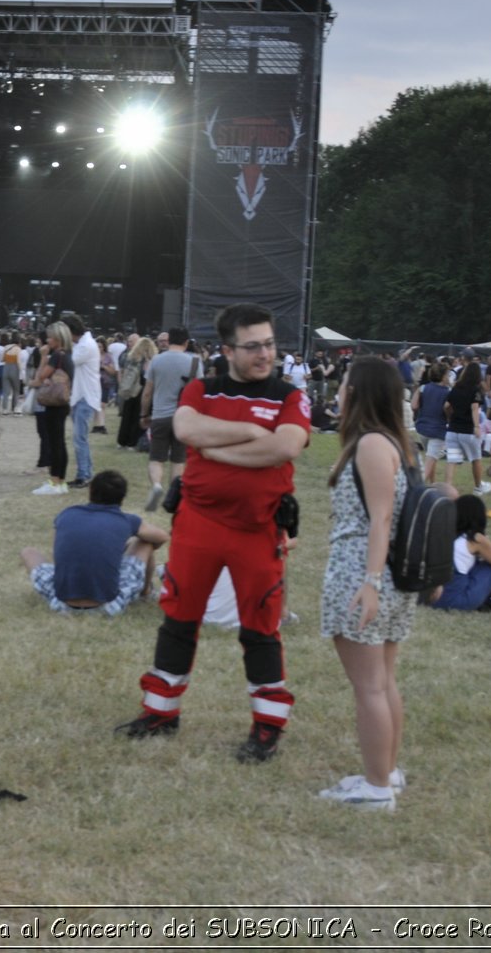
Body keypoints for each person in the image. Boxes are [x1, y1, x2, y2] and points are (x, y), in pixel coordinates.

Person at [116, 303, 309, 765]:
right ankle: (161, 712)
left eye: (269, 344)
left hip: (258, 528)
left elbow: (286, 445)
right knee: (179, 617)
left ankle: (266, 727)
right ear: (227, 350)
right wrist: (248, 430)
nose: (265, 354)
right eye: (253, 346)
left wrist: (217, 449)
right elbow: (185, 427)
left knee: (261, 627)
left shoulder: (288, 394)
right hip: (198, 523)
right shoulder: (203, 387)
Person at [317, 356, 414, 810]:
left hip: (364, 572)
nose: (338, 391)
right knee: (383, 681)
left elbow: (381, 518)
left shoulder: (372, 444)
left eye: (343, 385)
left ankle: (376, 789)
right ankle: (386, 772)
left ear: (356, 392)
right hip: (383, 573)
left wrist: (370, 583)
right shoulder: (390, 442)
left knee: (370, 687)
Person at [21, 470, 169, 615]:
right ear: (122, 498)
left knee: (28, 552)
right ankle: (146, 593)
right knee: (146, 542)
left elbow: (56, 554)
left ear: (90, 491)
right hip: (109, 605)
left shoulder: (66, 514)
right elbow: (162, 537)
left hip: (60, 601)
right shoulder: (126, 520)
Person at [141, 328, 203, 512]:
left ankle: (156, 486)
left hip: (160, 415)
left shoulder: (156, 360)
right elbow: (200, 391)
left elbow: (147, 392)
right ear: (186, 342)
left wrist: (144, 414)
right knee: (178, 460)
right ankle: (173, 495)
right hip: (183, 418)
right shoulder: (195, 361)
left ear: (168, 341)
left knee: (156, 458)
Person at [27, 322, 73, 495]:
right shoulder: (67, 355)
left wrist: (44, 357)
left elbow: (40, 377)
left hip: (54, 404)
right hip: (63, 402)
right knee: (60, 442)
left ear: (58, 338)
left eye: (50, 336)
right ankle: (60, 481)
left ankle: (54, 481)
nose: (47, 340)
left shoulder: (56, 356)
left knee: (55, 442)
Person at [443, 361, 491, 496]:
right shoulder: (476, 389)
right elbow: (474, 408)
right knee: (476, 459)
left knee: (451, 460)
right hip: (468, 430)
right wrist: (476, 426)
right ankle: (478, 487)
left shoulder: (456, 387)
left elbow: (446, 406)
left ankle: (447, 488)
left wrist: (449, 418)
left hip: (453, 430)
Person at [65, 314, 101, 487]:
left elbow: (69, 361)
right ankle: (86, 473)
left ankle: (84, 475)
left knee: (80, 438)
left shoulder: (85, 346)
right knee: (80, 438)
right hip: (82, 395)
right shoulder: (84, 343)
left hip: (85, 396)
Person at [411, 362, 451, 483]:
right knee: (430, 460)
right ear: (444, 376)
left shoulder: (422, 388)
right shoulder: (448, 392)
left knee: (431, 457)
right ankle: (418, 487)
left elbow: (413, 406)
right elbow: (448, 409)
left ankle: (432, 484)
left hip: (422, 428)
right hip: (438, 429)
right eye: (448, 374)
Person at [116, 335, 155, 449]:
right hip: (143, 390)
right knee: (138, 417)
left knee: (127, 416)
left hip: (131, 390)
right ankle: (133, 442)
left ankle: (122, 441)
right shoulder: (151, 360)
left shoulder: (131, 358)